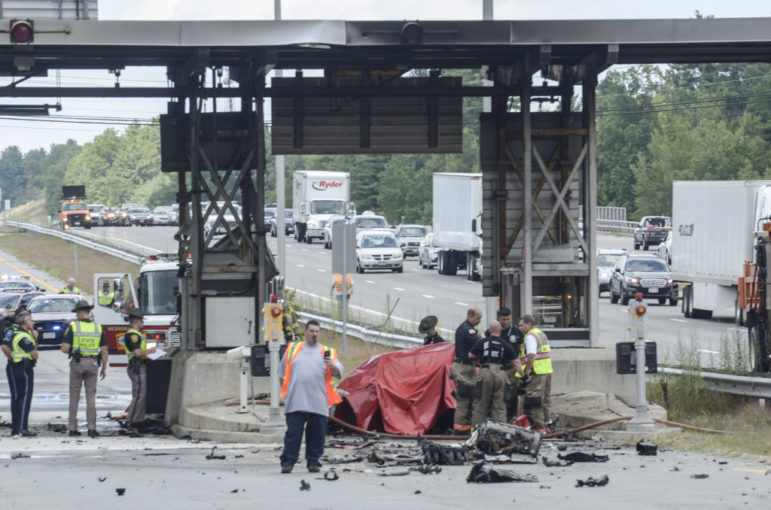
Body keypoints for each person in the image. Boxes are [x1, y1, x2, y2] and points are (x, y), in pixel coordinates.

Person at [279, 319, 343, 474]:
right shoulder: (293, 350)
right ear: (305, 331)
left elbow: (338, 373)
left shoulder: (327, 352)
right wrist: (286, 393)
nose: (314, 334)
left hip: (318, 402)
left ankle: (313, 462)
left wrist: (330, 364)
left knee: (317, 434)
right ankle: (288, 462)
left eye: (317, 331)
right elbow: (281, 374)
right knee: (293, 434)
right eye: (312, 331)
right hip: (295, 401)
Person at [61, 300, 108, 438]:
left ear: (80, 313)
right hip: (93, 364)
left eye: (76, 312)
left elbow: (64, 348)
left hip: (78, 363)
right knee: (91, 396)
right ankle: (92, 428)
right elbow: (104, 350)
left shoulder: (73, 327)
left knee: (74, 395)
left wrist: (72, 349)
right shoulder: (98, 328)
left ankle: (73, 428)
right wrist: (104, 368)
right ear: (88, 313)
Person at [468, 320, 522, 427]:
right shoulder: (505, 344)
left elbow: (470, 355)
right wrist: (524, 374)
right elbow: (515, 362)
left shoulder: (483, 342)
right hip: (500, 373)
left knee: (481, 404)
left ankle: (476, 432)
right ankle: (498, 433)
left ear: (489, 330)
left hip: (485, 372)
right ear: (500, 330)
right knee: (500, 406)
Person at [485, 307, 525, 421]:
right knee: (497, 394)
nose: (506, 322)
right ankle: (496, 417)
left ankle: (511, 417)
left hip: (511, 368)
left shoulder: (516, 331)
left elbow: (522, 349)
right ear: (499, 319)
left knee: (512, 394)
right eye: (503, 319)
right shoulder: (492, 331)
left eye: (508, 319)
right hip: (497, 367)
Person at [517, 314, 553, 431]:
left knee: (534, 400)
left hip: (537, 372)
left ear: (529, 324)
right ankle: (547, 425)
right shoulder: (541, 334)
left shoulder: (530, 336)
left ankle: (538, 428)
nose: (520, 328)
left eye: (522, 325)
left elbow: (531, 355)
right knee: (545, 400)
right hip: (547, 370)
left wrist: (527, 370)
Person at [451, 307, 483, 434]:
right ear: (470, 316)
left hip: (467, 367)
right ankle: (460, 431)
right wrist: (482, 338)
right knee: (465, 400)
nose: (479, 321)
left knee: (469, 399)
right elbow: (477, 345)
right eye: (477, 318)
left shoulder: (467, 329)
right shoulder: (467, 330)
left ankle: (465, 428)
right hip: (464, 368)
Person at [124, 308, 156, 429]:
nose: (143, 322)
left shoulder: (136, 335)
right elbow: (137, 353)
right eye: (142, 320)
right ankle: (133, 422)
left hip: (137, 367)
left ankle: (135, 420)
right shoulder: (133, 335)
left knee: (138, 395)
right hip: (137, 367)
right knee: (139, 395)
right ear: (136, 320)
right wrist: (151, 351)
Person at [8, 312, 38, 437]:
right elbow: (34, 354)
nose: (33, 323)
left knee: (18, 398)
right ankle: (21, 427)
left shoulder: (19, 333)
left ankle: (16, 428)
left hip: (17, 367)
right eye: (31, 321)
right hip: (23, 368)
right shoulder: (23, 337)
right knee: (24, 398)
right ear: (25, 322)